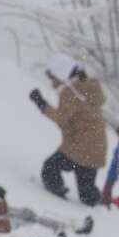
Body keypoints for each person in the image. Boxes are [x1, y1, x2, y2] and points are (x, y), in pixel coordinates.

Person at [30, 53, 107, 206]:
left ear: (61, 74)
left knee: (50, 169)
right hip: (97, 148)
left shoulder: (71, 92)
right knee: (86, 192)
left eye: (53, 78)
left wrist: (41, 103)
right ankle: (101, 206)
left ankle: (58, 200)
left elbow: (60, 118)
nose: (52, 83)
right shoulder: (89, 87)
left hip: (78, 148)